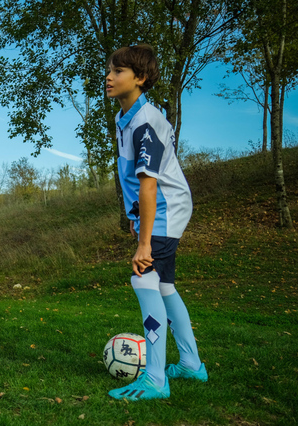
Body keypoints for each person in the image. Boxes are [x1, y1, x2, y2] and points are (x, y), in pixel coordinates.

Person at [105, 44, 207, 401]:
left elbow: (149, 185)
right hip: (160, 209)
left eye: (118, 71)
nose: (109, 76)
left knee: (143, 278)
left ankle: (154, 380)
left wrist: (145, 242)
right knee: (164, 287)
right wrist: (137, 220)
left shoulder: (145, 122)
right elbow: (136, 183)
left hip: (165, 207)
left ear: (141, 78)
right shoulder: (127, 117)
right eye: (110, 69)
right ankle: (192, 366)